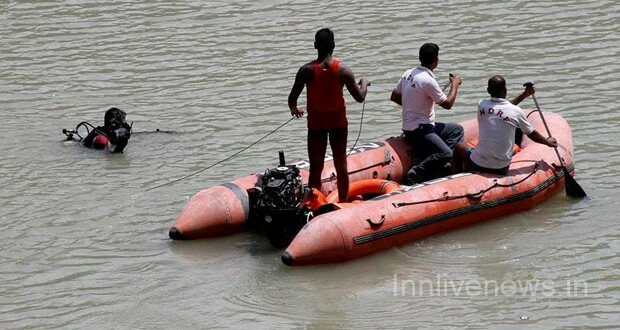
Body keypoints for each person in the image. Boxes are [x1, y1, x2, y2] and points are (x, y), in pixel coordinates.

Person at [288, 28, 370, 203]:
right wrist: (364, 82)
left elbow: (292, 99)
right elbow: (360, 97)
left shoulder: (306, 71)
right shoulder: (343, 71)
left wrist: (295, 109)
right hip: (338, 124)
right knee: (341, 165)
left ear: (315, 45)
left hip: (316, 125)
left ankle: (313, 204)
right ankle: (343, 202)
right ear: (333, 45)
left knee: (316, 167)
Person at [390, 43, 464, 184]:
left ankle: (437, 163)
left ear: (420, 57)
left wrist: (412, 106)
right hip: (421, 130)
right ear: (436, 61)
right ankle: (419, 169)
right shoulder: (428, 81)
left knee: (456, 130)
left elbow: (394, 96)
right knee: (446, 153)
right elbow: (447, 104)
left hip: (410, 126)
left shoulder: (408, 73)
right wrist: (455, 84)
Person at [460, 75, 557, 174]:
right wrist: (548, 142)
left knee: (458, 145)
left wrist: (523, 95)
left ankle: (456, 174)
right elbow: (532, 134)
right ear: (505, 90)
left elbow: (501, 107)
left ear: (488, 90)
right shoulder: (515, 111)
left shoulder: (481, 105)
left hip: (477, 163)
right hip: (500, 167)